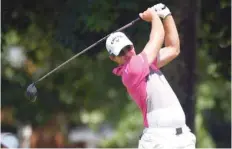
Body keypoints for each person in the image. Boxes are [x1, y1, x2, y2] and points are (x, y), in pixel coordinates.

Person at [105, 3, 196, 149]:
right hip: (159, 138)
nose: (127, 53)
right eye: (121, 52)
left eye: (128, 48)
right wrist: (154, 16)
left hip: (181, 136)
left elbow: (173, 49)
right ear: (113, 58)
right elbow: (157, 37)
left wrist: (166, 15)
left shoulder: (146, 63)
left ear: (132, 45)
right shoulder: (131, 70)